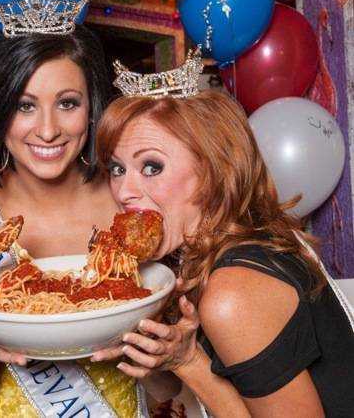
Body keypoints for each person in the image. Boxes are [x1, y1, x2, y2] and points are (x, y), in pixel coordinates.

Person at [0, 0, 166, 417]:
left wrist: (162, 354)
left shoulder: (129, 202)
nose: (47, 130)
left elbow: (167, 385)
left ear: (92, 107)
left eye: (67, 103)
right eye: (25, 106)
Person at [92, 50, 354, 417]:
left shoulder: (232, 294)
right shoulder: (227, 246)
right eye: (117, 169)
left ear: (213, 172)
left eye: (151, 167)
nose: (123, 191)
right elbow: (172, 393)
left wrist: (188, 360)